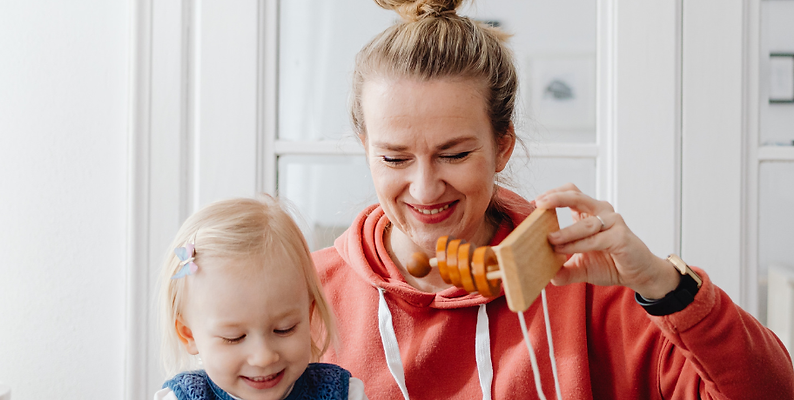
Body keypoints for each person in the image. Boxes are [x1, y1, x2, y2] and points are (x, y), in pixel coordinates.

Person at [312, 0, 794, 399]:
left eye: (454, 154)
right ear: (366, 150)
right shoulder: (306, 293)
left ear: (502, 146)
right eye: (395, 159)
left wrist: (662, 282)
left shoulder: (587, 291)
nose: (423, 188)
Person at [155, 197, 369, 400]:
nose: (264, 357)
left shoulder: (342, 393)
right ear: (188, 335)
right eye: (234, 337)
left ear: (309, 315)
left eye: (284, 329)